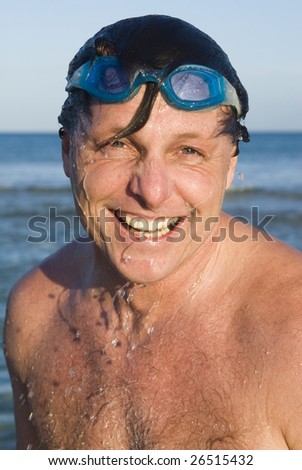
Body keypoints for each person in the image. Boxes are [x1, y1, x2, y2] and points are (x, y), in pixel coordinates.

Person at [4, 15, 302, 450]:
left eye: (188, 151)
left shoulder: (291, 329)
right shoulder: (34, 315)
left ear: (231, 165)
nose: (152, 191)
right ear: (69, 151)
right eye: (118, 144)